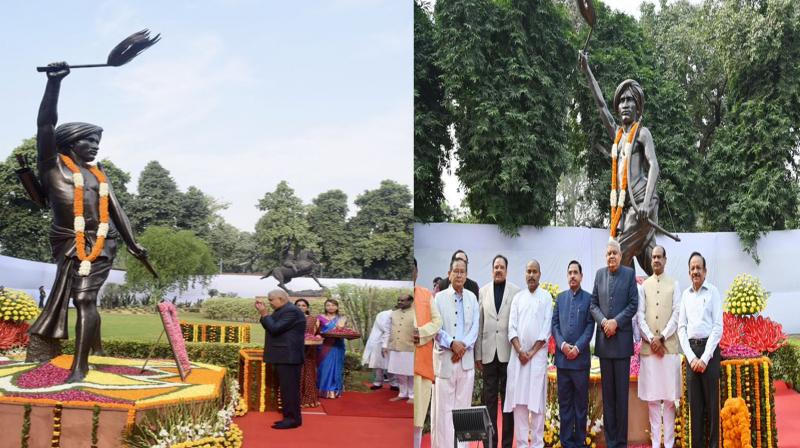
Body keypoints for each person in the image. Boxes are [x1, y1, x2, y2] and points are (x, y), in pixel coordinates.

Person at [28, 62, 148, 383]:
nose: (95, 146)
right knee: (75, 298)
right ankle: (74, 352)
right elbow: (45, 124)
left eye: (97, 141)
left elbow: (116, 210)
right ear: (70, 143)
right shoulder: (53, 167)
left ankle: (80, 366)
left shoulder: (99, 174)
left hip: (101, 244)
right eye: (89, 140)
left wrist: (133, 242)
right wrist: (54, 84)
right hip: (67, 241)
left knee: (84, 298)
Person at [579, 51, 660, 276]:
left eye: (629, 100)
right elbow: (601, 105)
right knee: (652, 262)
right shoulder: (617, 135)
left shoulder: (643, 134)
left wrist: (645, 203)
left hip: (642, 200)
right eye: (621, 101)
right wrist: (587, 71)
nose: (624, 105)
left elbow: (654, 165)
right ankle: (654, 303)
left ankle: (617, 302)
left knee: (618, 252)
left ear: (638, 107)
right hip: (623, 209)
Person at [589, 239, 638, 448]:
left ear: (620, 255)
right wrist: (603, 322)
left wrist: (616, 322)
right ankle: (610, 442)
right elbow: (593, 304)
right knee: (608, 397)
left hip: (621, 345)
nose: (611, 256)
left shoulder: (628, 274)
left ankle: (621, 443)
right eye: (608, 253)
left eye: (614, 253)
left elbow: (634, 304)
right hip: (605, 344)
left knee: (621, 398)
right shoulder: (599, 274)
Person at [503, 260, 552, 448]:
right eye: (528, 271)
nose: (531, 275)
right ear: (525, 274)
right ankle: (522, 444)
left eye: (534, 272)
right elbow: (511, 327)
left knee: (537, 404)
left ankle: (537, 444)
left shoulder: (546, 297)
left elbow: (546, 329)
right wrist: (520, 351)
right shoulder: (518, 298)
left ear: (540, 274)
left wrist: (530, 353)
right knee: (520, 405)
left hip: (536, 358)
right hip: (518, 359)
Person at [431, 257, 479, 448]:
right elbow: (436, 327)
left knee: (463, 412)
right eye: (456, 271)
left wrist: (462, 346)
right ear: (449, 274)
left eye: (462, 271)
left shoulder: (472, 298)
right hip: (445, 361)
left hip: (465, 362)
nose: (459, 275)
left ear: (466, 276)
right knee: (443, 412)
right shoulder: (439, 298)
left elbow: (475, 327)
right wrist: (452, 343)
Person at [637, 246, 682, 448]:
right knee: (653, 401)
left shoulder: (674, 284)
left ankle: (670, 444)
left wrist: (662, 337)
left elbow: (677, 313)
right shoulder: (643, 286)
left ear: (665, 259)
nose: (656, 260)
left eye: (659, 257)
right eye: (653, 257)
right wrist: (651, 338)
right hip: (650, 352)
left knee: (670, 401)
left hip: (669, 350)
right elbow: (639, 315)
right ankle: (656, 444)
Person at [678, 252, 722, 448]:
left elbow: (717, 327)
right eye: (692, 268)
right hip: (691, 353)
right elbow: (681, 328)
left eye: (699, 268)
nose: (695, 271)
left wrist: (704, 358)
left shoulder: (713, 292)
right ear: (689, 272)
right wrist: (691, 357)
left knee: (712, 407)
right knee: (694, 408)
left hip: (709, 354)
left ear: (705, 271)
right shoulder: (685, 295)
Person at [476, 254, 520, 448]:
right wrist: (478, 354)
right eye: (496, 267)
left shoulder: (516, 292)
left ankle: (507, 444)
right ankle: (490, 444)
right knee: (489, 401)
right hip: (488, 354)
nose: (498, 270)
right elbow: (480, 324)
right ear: (492, 269)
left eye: (502, 267)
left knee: (508, 403)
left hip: (508, 354)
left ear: (507, 270)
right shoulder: (483, 291)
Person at [551, 260, 594, 448]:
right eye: (569, 272)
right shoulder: (560, 298)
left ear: (581, 276)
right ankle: (567, 442)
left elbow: (590, 326)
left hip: (580, 362)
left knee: (580, 406)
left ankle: (580, 442)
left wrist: (576, 348)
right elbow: (555, 325)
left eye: (576, 272)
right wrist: (562, 345)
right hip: (563, 362)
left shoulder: (589, 299)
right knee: (565, 405)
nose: (572, 275)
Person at [255, 290, 307, 429]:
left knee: (289, 390)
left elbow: (275, 328)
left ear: (281, 299)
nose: (269, 302)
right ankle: (290, 417)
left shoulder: (292, 311)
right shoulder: (282, 310)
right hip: (284, 356)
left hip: (289, 357)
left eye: (271, 300)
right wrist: (265, 315)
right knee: (286, 389)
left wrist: (264, 313)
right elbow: (270, 325)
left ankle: (292, 419)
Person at [413, 258, 442, 448]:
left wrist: (420, 333)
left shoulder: (425, 295)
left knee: (417, 421)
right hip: (403, 361)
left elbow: (437, 322)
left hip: (421, 365)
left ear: (416, 271)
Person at [385, 294, 415, 402]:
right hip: (395, 346)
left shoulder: (416, 313)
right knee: (399, 372)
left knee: (411, 373)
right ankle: (402, 393)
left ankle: (412, 395)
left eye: (402, 300)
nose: (400, 302)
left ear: (410, 301)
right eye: (399, 300)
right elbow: (387, 330)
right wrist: (385, 345)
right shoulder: (393, 314)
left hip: (410, 347)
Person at [316, 298, 347, 399]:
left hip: (337, 345)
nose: (331, 307)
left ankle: (334, 390)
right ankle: (322, 390)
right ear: (325, 307)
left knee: (336, 368)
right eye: (328, 305)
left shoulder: (342, 318)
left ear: (337, 307)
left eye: (333, 305)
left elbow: (344, 331)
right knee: (323, 368)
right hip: (324, 346)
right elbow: (315, 331)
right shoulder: (319, 317)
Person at [294, 298, 320, 408]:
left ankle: (309, 399)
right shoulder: (290, 318)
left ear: (307, 308)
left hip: (309, 349)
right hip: (294, 349)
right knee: (296, 373)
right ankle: (294, 399)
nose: (300, 307)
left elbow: (316, 334)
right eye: (298, 305)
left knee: (309, 372)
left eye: (303, 305)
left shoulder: (314, 320)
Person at [362, 307, 394, 390]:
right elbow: (385, 328)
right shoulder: (383, 314)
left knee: (391, 364)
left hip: (392, 342)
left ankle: (394, 383)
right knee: (378, 364)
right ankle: (377, 382)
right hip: (378, 341)